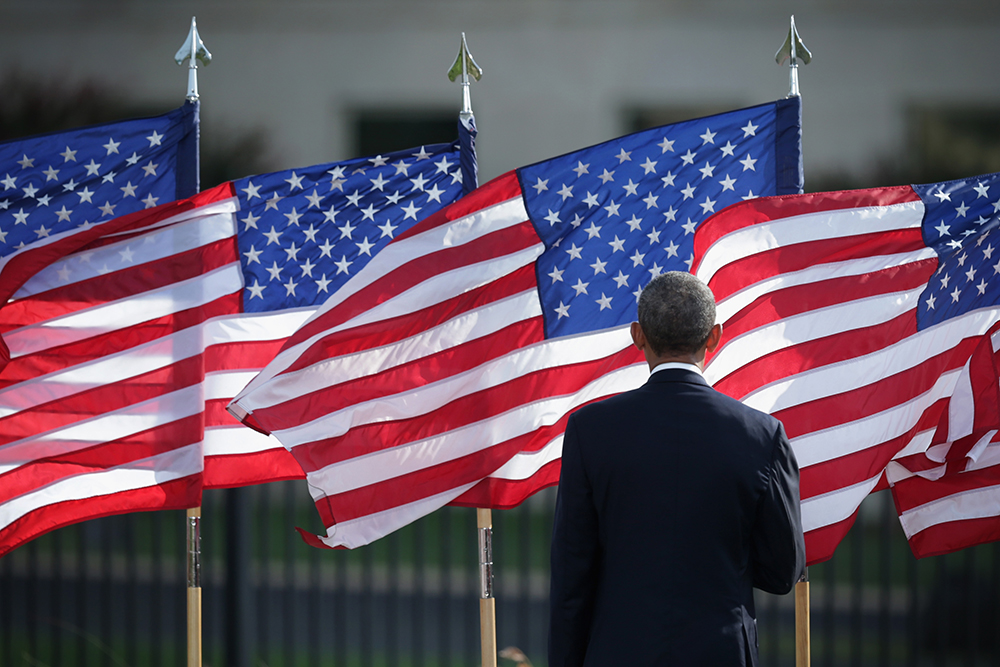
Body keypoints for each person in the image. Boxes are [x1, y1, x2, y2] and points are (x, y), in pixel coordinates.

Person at [548, 271, 805, 667]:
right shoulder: (762, 435)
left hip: (619, 653)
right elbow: (782, 573)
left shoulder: (591, 430)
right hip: (721, 654)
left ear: (638, 335)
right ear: (714, 336)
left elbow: (571, 576)